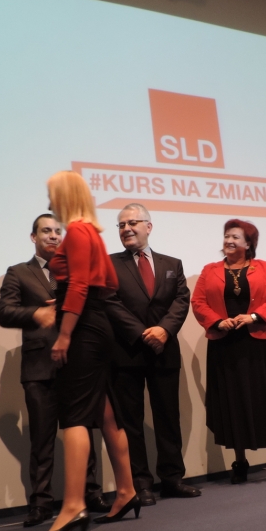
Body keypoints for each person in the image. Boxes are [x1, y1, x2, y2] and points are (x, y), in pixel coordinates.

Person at [31, 170, 138, 531]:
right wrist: (65, 302)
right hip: (96, 325)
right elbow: (105, 284)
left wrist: (64, 333)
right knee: (106, 411)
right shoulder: (91, 232)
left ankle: (73, 505)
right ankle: (126, 490)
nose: (49, 202)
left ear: (65, 196)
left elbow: (78, 284)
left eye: (52, 195)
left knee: (75, 415)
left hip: (84, 333)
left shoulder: (77, 231)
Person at [0, 213, 110, 527]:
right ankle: (41, 503)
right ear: (34, 237)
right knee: (42, 439)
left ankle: (91, 493)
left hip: (77, 362)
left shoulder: (75, 270)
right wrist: (37, 313)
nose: (54, 236)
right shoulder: (18, 272)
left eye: (58, 231)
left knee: (81, 431)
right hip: (40, 365)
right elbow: (4, 312)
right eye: (46, 231)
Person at [105, 203, 200, 505]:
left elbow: (181, 300)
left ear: (149, 226)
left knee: (168, 418)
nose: (126, 229)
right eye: (121, 225)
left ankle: (172, 479)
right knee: (131, 422)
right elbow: (110, 303)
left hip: (164, 350)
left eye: (132, 223)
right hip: (127, 351)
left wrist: (163, 331)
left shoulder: (172, 263)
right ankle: (141, 484)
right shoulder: (108, 264)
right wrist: (144, 333)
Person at [191, 219, 266, 484]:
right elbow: (198, 302)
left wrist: (254, 316)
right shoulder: (209, 270)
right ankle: (240, 460)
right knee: (233, 402)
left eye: (235, 237)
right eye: (227, 236)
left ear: (248, 244)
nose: (229, 240)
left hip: (261, 343)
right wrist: (217, 321)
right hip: (225, 345)